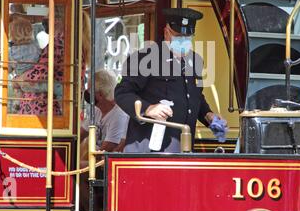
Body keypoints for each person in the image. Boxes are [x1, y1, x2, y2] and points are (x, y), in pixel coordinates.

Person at [114, 8, 228, 153]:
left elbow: (195, 96)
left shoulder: (195, 61)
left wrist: (209, 115)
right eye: (179, 36)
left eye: (188, 36)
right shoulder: (146, 58)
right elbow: (122, 93)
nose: (184, 41)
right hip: (149, 150)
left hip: (182, 149)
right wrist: (148, 109)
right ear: (167, 32)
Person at [81, 69, 129, 155]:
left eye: (88, 90)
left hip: (103, 164)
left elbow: (102, 152)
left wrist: (80, 165)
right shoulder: (97, 110)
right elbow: (80, 134)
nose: (86, 92)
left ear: (99, 95)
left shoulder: (119, 115)